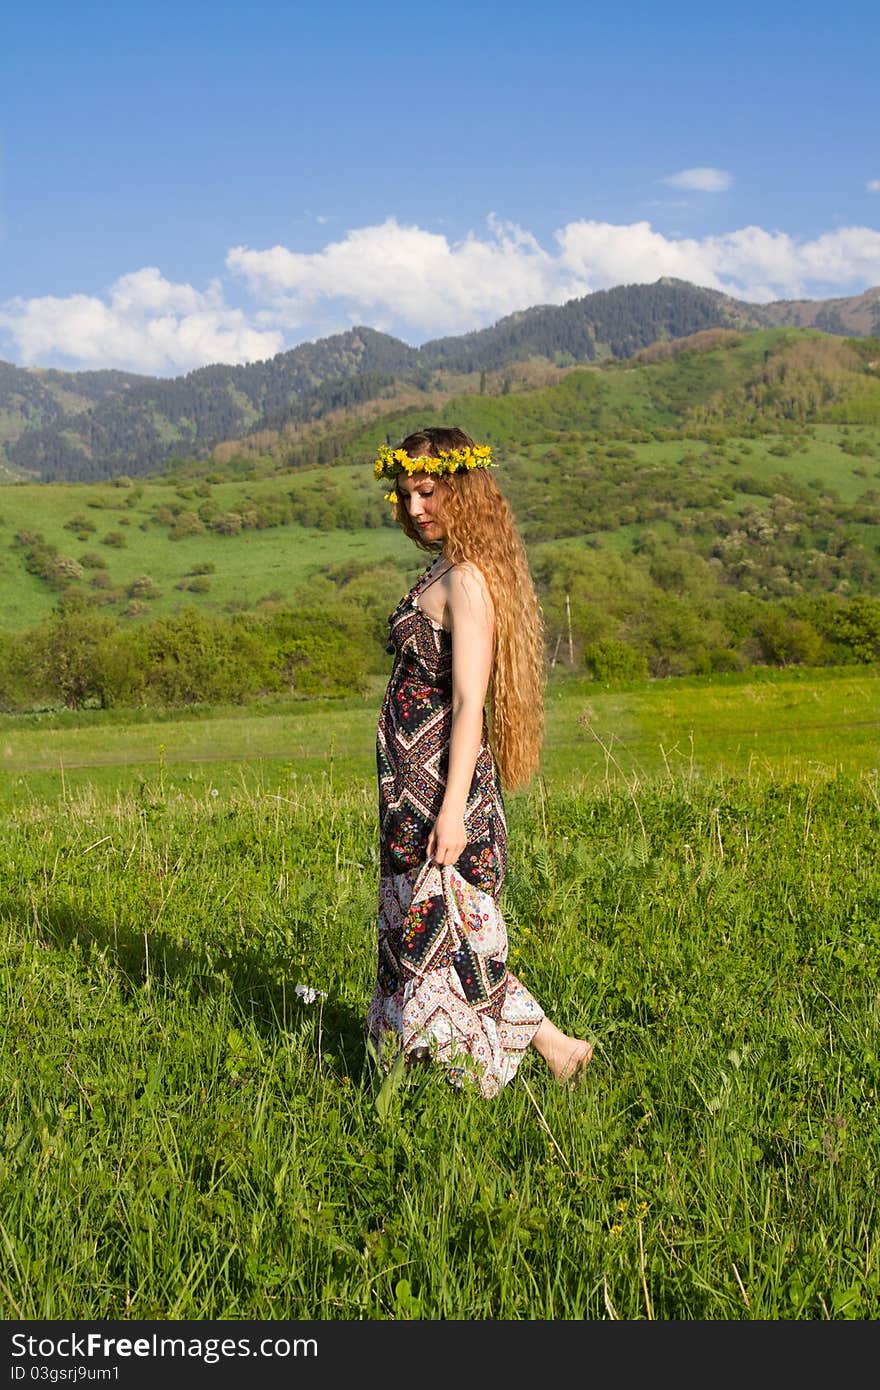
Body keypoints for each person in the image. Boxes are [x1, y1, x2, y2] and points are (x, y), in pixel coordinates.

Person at [366, 425, 593, 1098]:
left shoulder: (466, 579)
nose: (414, 509)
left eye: (428, 492)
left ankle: (476, 1070)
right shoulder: (444, 567)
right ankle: (553, 1051)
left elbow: (469, 703)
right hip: (412, 791)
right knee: (436, 933)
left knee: (456, 939)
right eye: (405, 495)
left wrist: (452, 810)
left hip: (444, 790)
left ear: (462, 489)